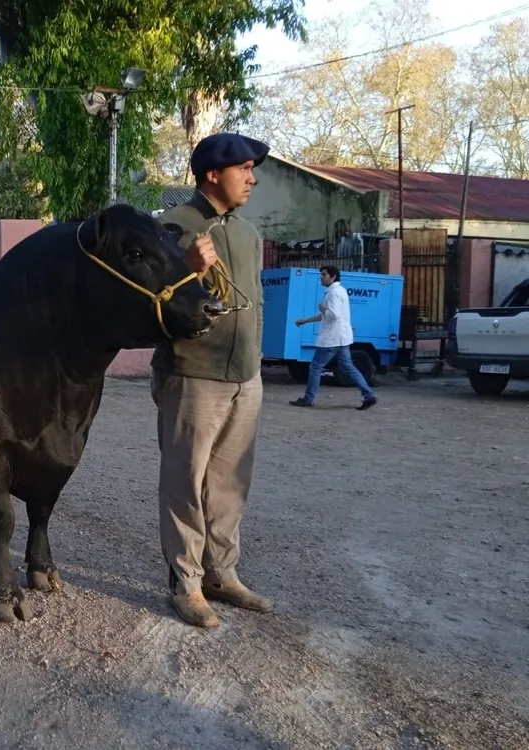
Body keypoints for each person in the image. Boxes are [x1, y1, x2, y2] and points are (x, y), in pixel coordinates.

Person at [150, 132, 273, 629]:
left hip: (246, 374)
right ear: (212, 175)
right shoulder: (171, 228)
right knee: (185, 480)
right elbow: (151, 301)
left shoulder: (247, 233)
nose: (252, 177)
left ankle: (222, 574)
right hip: (193, 375)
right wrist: (187, 268)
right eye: (244, 168)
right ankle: (186, 584)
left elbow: (254, 301)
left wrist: (256, 364)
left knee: (228, 483)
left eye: (252, 169)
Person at [290, 265, 378, 410]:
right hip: (341, 338)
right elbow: (328, 315)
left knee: (316, 367)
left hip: (332, 338)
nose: (321, 277)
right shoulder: (339, 291)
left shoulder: (333, 293)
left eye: (323, 275)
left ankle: (308, 399)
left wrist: (322, 308)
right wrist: (306, 320)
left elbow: (333, 315)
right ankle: (369, 395)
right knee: (349, 367)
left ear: (333, 276)